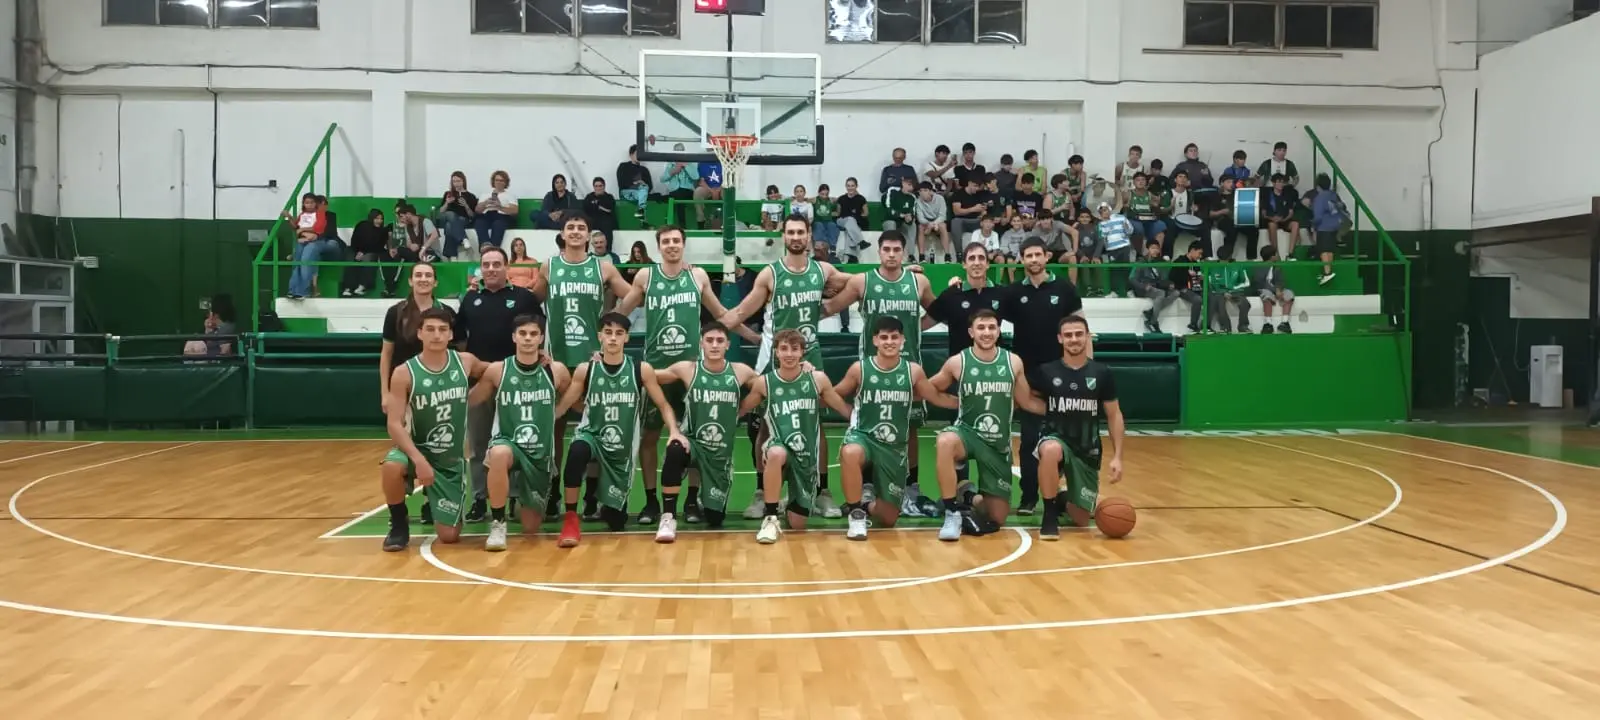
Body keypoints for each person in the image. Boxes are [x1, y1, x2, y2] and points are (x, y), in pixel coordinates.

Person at [614, 225, 758, 526]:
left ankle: (692, 500)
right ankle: (651, 501)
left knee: (696, 435)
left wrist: (756, 338)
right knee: (650, 437)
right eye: (666, 241)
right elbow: (619, 314)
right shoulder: (645, 277)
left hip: (692, 373)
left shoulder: (698, 276)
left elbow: (722, 316)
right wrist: (600, 345)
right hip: (656, 372)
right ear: (658, 246)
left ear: (683, 244)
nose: (671, 245)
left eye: (676, 241)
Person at [719, 214, 853, 520]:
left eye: (800, 232)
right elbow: (739, 312)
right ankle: (761, 492)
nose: (795, 237)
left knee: (815, 424)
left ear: (808, 235)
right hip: (774, 357)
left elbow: (859, 282)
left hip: (811, 354)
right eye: (790, 232)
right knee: (765, 426)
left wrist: (901, 271)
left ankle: (822, 492)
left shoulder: (823, 270)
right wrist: (726, 334)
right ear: (784, 236)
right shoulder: (770, 274)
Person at [822, 230, 941, 517]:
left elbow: (937, 311)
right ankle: (865, 488)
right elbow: (830, 308)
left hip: (909, 366)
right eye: (886, 249)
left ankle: (911, 487)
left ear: (904, 253)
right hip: (871, 369)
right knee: (867, 428)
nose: (891, 254)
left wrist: (913, 329)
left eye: (896, 249)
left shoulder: (918, 282)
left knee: (909, 427)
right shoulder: (862, 281)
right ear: (879, 252)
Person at [550, 313, 687, 547]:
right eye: (608, 332)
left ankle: (605, 503)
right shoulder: (586, 369)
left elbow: (663, 404)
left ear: (627, 338)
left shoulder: (640, 369)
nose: (613, 338)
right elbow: (564, 405)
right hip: (592, 434)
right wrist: (548, 420)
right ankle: (571, 519)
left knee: (616, 521)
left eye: (619, 333)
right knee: (576, 451)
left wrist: (674, 430)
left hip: (622, 444)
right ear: (599, 336)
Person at [534, 214, 634, 517]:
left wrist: (611, 324)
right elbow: (532, 301)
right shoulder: (549, 266)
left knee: (599, 428)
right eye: (571, 227)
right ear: (562, 234)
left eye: (581, 228)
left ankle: (593, 495)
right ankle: (552, 491)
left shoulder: (603, 267)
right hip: (557, 360)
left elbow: (635, 295)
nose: (576, 232)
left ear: (589, 235)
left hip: (593, 361)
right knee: (554, 428)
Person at [832, 316, 957, 540]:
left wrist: (965, 402)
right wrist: (846, 411)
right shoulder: (860, 369)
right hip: (863, 436)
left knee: (888, 517)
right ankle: (856, 515)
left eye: (894, 337)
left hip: (894, 446)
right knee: (850, 452)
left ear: (902, 340)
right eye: (884, 337)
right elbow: (834, 393)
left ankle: (866, 505)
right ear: (875, 340)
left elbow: (935, 397)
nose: (889, 342)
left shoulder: (913, 371)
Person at [927, 310, 1046, 541]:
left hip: (997, 443)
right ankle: (952, 513)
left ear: (999, 331)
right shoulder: (958, 362)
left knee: (996, 517)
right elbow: (930, 388)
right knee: (945, 441)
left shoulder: (1013, 362)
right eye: (981, 328)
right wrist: (953, 402)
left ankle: (967, 495)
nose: (987, 332)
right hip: (967, 433)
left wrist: (1061, 410)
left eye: (992, 327)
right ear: (971, 332)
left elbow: (1026, 402)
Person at [379, 307, 489, 552]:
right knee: (391, 466)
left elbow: (495, 371)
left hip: (450, 459)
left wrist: (536, 358)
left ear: (450, 334)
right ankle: (399, 524)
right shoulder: (404, 373)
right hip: (416, 449)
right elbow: (394, 424)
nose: (436, 335)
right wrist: (419, 460)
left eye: (442, 329)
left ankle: (434, 499)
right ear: (420, 333)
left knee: (449, 536)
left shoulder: (465, 361)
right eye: (430, 329)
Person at [736, 329, 854, 544]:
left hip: (806, 456)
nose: (789, 354)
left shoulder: (817, 380)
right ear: (776, 352)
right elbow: (741, 409)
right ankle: (771, 517)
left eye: (794, 349)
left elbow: (842, 408)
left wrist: (864, 422)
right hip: (780, 446)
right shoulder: (765, 383)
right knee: (775, 453)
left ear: (802, 352)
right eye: (784, 349)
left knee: (797, 523)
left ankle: (789, 501)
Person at [454, 246, 544, 522]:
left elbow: (538, 331)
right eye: (486, 264)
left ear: (507, 267)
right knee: (479, 444)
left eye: (496, 264)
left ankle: (515, 496)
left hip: (516, 383)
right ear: (480, 269)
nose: (491, 269)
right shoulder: (470, 299)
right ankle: (480, 498)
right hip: (480, 381)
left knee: (516, 442)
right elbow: (460, 339)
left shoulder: (524, 297)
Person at [467, 315, 571, 551]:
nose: (528, 338)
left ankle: (519, 500)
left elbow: (574, 397)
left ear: (541, 338)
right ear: (514, 337)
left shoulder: (557, 371)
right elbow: (473, 400)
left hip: (539, 452)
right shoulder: (498, 370)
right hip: (508, 442)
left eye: (533, 334)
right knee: (498, 453)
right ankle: (498, 523)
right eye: (522, 333)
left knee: (531, 528)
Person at [999, 238, 1085, 516]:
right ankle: (1028, 497)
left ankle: (1061, 493)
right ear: (1021, 259)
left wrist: (1087, 367)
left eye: (1038, 254)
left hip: (1063, 374)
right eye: (1028, 255)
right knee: (1029, 439)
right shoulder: (1014, 292)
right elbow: (988, 316)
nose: (1034, 259)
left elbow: (1082, 328)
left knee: (1065, 438)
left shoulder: (1065, 288)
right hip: (1028, 377)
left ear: (1046, 257)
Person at [651, 323, 760, 538]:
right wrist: (606, 360)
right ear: (701, 343)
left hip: (719, 454)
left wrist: (743, 409)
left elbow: (768, 385)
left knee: (715, 519)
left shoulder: (740, 371)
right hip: (691, 441)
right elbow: (649, 376)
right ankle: (668, 517)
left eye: (720, 341)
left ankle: (702, 499)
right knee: (674, 449)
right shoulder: (687, 369)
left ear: (728, 345)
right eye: (709, 340)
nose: (714, 345)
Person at [1033, 315, 1125, 539]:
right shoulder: (1046, 371)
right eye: (1068, 335)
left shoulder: (1102, 373)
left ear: (1087, 337)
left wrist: (1117, 457)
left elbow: (1114, 414)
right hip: (1056, 437)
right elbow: (1026, 399)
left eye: (1078, 334)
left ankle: (1062, 497)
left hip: (1087, 448)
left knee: (1082, 519)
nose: (1073, 339)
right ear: (1060, 339)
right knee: (1051, 449)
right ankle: (1049, 514)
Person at [1253, 244, 1296, 334]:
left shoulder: (1277, 267)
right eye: (1276, 254)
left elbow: (1281, 281)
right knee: (1266, 294)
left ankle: (1285, 322)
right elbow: (1260, 283)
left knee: (1289, 294)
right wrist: (1274, 290)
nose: (1277, 256)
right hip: (1265, 290)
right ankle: (1267, 323)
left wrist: (1278, 289)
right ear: (1272, 257)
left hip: (1276, 291)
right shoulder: (1259, 267)